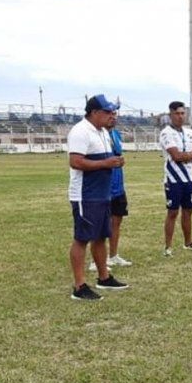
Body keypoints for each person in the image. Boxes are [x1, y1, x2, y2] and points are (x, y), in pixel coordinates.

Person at [67, 94, 128, 301]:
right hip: (86, 194)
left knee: (101, 236)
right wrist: (105, 163)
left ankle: (104, 277)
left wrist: (114, 162)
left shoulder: (102, 132)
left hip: (103, 193)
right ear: (94, 112)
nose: (112, 115)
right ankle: (79, 286)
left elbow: (104, 159)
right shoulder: (81, 131)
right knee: (82, 238)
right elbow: (76, 162)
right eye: (107, 111)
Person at [89, 110, 133, 271]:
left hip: (118, 185)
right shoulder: (96, 135)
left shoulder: (116, 134)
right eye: (110, 114)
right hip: (103, 186)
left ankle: (113, 256)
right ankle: (95, 261)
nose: (113, 118)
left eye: (115, 115)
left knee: (117, 221)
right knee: (100, 224)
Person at [160, 101, 192, 256]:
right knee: (172, 212)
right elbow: (176, 156)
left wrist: (188, 156)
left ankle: (188, 243)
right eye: (177, 113)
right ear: (170, 115)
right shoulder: (166, 133)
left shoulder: (190, 132)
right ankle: (168, 247)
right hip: (173, 180)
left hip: (189, 179)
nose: (180, 116)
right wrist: (191, 155)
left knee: (188, 211)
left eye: (182, 113)